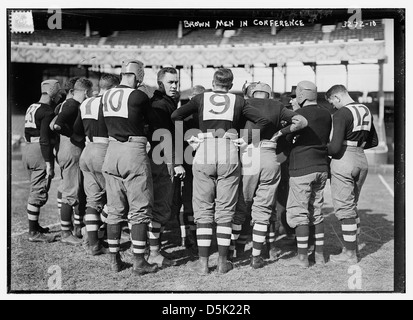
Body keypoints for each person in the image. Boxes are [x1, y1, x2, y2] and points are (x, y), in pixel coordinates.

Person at [171, 68, 273, 275]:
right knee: (226, 209)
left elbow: (176, 114)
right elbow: (264, 121)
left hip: (204, 150)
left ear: (213, 82)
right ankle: (222, 262)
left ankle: (202, 263)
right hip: (228, 150)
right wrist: (244, 139)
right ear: (231, 84)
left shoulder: (201, 97)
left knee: (203, 209)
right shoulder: (238, 100)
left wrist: (191, 137)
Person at [234, 82, 308, 269]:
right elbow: (301, 122)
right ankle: (256, 257)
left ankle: (236, 251)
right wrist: (279, 133)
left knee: (239, 206)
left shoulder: (242, 102)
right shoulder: (277, 106)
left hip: (247, 154)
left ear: (251, 92)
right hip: (269, 154)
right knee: (263, 209)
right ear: (268, 93)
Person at [101, 59, 158, 275]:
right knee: (140, 208)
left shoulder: (106, 95)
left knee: (115, 209)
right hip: (132, 151)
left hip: (111, 150)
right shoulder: (138, 96)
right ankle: (139, 262)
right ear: (138, 75)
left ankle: (114, 261)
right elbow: (152, 121)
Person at [325, 84, 378, 264]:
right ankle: (352, 248)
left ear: (337, 97)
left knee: (344, 208)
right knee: (352, 205)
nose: (333, 106)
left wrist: (321, 150)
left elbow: (334, 146)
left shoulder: (342, 113)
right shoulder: (366, 110)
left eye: (332, 102)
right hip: (361, 158)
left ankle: (350, 254)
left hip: (344, 159)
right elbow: (374, 141)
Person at [283, 80, 332, 268]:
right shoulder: (327, 113)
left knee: (299, 212)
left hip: (301, 167)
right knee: (317, 212)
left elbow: (287, 139)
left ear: (302, 95)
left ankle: (302, 257)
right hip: (321, 167)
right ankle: (319, 255)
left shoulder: (297, 114)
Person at [73, 74, 120, 255]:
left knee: (93, 199)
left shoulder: (86, 102)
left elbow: (76, 129)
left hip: (87, 151)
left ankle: (93, 243)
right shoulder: (110, 102)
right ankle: (102, 233)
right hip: (104, 149)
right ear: (113, 88)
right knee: (117, 196)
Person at [146, 67, 185, 268]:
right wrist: (176, 162)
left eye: (176, 82)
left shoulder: (162, 103)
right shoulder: (161, 105)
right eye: (170, 82)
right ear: (160, 83)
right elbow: (164, 136)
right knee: (160, 206)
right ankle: (153, 252)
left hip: (153, 158)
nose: (175, 86)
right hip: (161, 160)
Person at [54, 78, 93, 246]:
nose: (90, 96)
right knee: (70, 192)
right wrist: (74, 136)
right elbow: (56, 124)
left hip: (64, 149)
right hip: (71, 150)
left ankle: (76, 228)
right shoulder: (72, 105)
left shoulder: (64, 103)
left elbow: (52, 123)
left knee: (71, 189)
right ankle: (65, 233)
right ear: (85, 92)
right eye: (90, 93)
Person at [23, 79, 61, 242]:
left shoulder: (32, 106)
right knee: (38, 191)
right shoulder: (47, 111)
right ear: (53, 93)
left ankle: (35, 226)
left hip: (28, 149)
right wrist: (48, 163)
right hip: (39, 151)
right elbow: (45, 139)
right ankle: (33, 232)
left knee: (36, 187)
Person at [171, 85, 206, 249]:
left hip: (188, 164)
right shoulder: (203, 118)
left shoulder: (183, 117)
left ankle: (188, 236)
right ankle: (191, 235)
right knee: (194, 201)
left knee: (187, 202)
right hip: (192, 165)